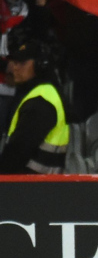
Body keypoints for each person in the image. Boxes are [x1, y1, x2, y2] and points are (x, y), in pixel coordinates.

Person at [0, 37, 68, 174]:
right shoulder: (39, 93)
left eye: (22, 63)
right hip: (34, 181)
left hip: (33, 182)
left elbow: (16, 154)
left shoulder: (41, 101)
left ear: (40, 65)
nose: (15, 67)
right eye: (15, 62)